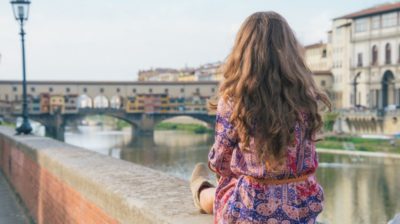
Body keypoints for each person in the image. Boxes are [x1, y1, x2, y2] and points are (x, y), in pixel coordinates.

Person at [190, 11, 331, 224]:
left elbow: (219, 162)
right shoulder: (306, 97)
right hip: (302, 208)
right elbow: (309, 157)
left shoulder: (234, 101)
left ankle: (200, 189)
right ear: (291, 50)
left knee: (221, 191)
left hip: (252, 210)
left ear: (243, 51)